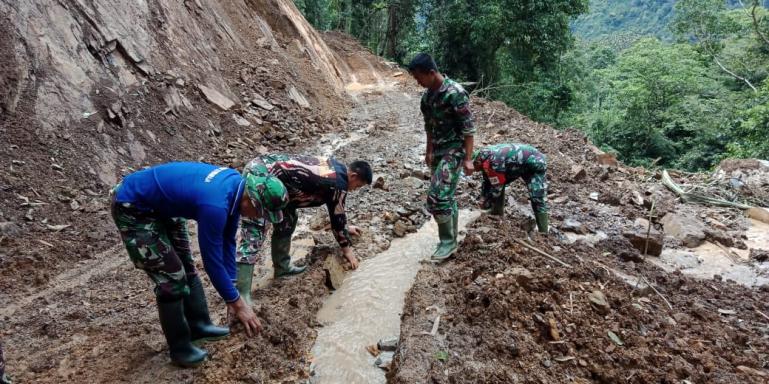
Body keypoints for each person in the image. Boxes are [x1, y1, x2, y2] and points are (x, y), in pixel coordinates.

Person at [111, 162, 288, 367]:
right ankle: (180, 349)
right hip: (133, 206)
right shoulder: (215, 206)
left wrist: (231, 291)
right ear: (252, 201)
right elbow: (212, 263)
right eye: (262, 213)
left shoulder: (235, 188)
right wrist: (238, 304)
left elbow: (227, 241)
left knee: (186, 266)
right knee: (172, 278)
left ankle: (199, 326)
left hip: (161, 207)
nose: (260, 218)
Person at [235, 154, 372, 303]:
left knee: (288, 221)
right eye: (357, 186)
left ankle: (282, 267)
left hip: (275, 176)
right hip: (261, 178)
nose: (355, 190)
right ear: (353, 175)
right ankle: (242, 296)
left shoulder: (337, 168)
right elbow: (337, 218)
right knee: (254, 233)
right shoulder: (338, 183)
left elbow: (337, 213)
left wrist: (345, 227)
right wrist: (347, 250)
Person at [408, 53, 476, 261]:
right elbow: (429, 127)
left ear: (431, 72)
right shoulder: (427, 98)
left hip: (455, 150)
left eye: (419, 77)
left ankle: (447, 242)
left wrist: (469, 159)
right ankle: (451, 238)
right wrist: (428, 151)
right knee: (446, 195)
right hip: (437, 151)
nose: (417, 82)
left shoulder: (455, 93)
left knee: (437, 197)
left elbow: (468, 128)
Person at [472, 143, 550, 233]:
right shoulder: (484, 159)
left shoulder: (495, 161)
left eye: (473, 169)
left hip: (535, 163)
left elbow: (497, 187)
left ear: (477, 162)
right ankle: (496, 213)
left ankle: (544, 232)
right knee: (497, 181)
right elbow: (487, 181)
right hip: (518, 165)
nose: (473, 171)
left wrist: (486, 203)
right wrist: (483, 197)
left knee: (537, 197)